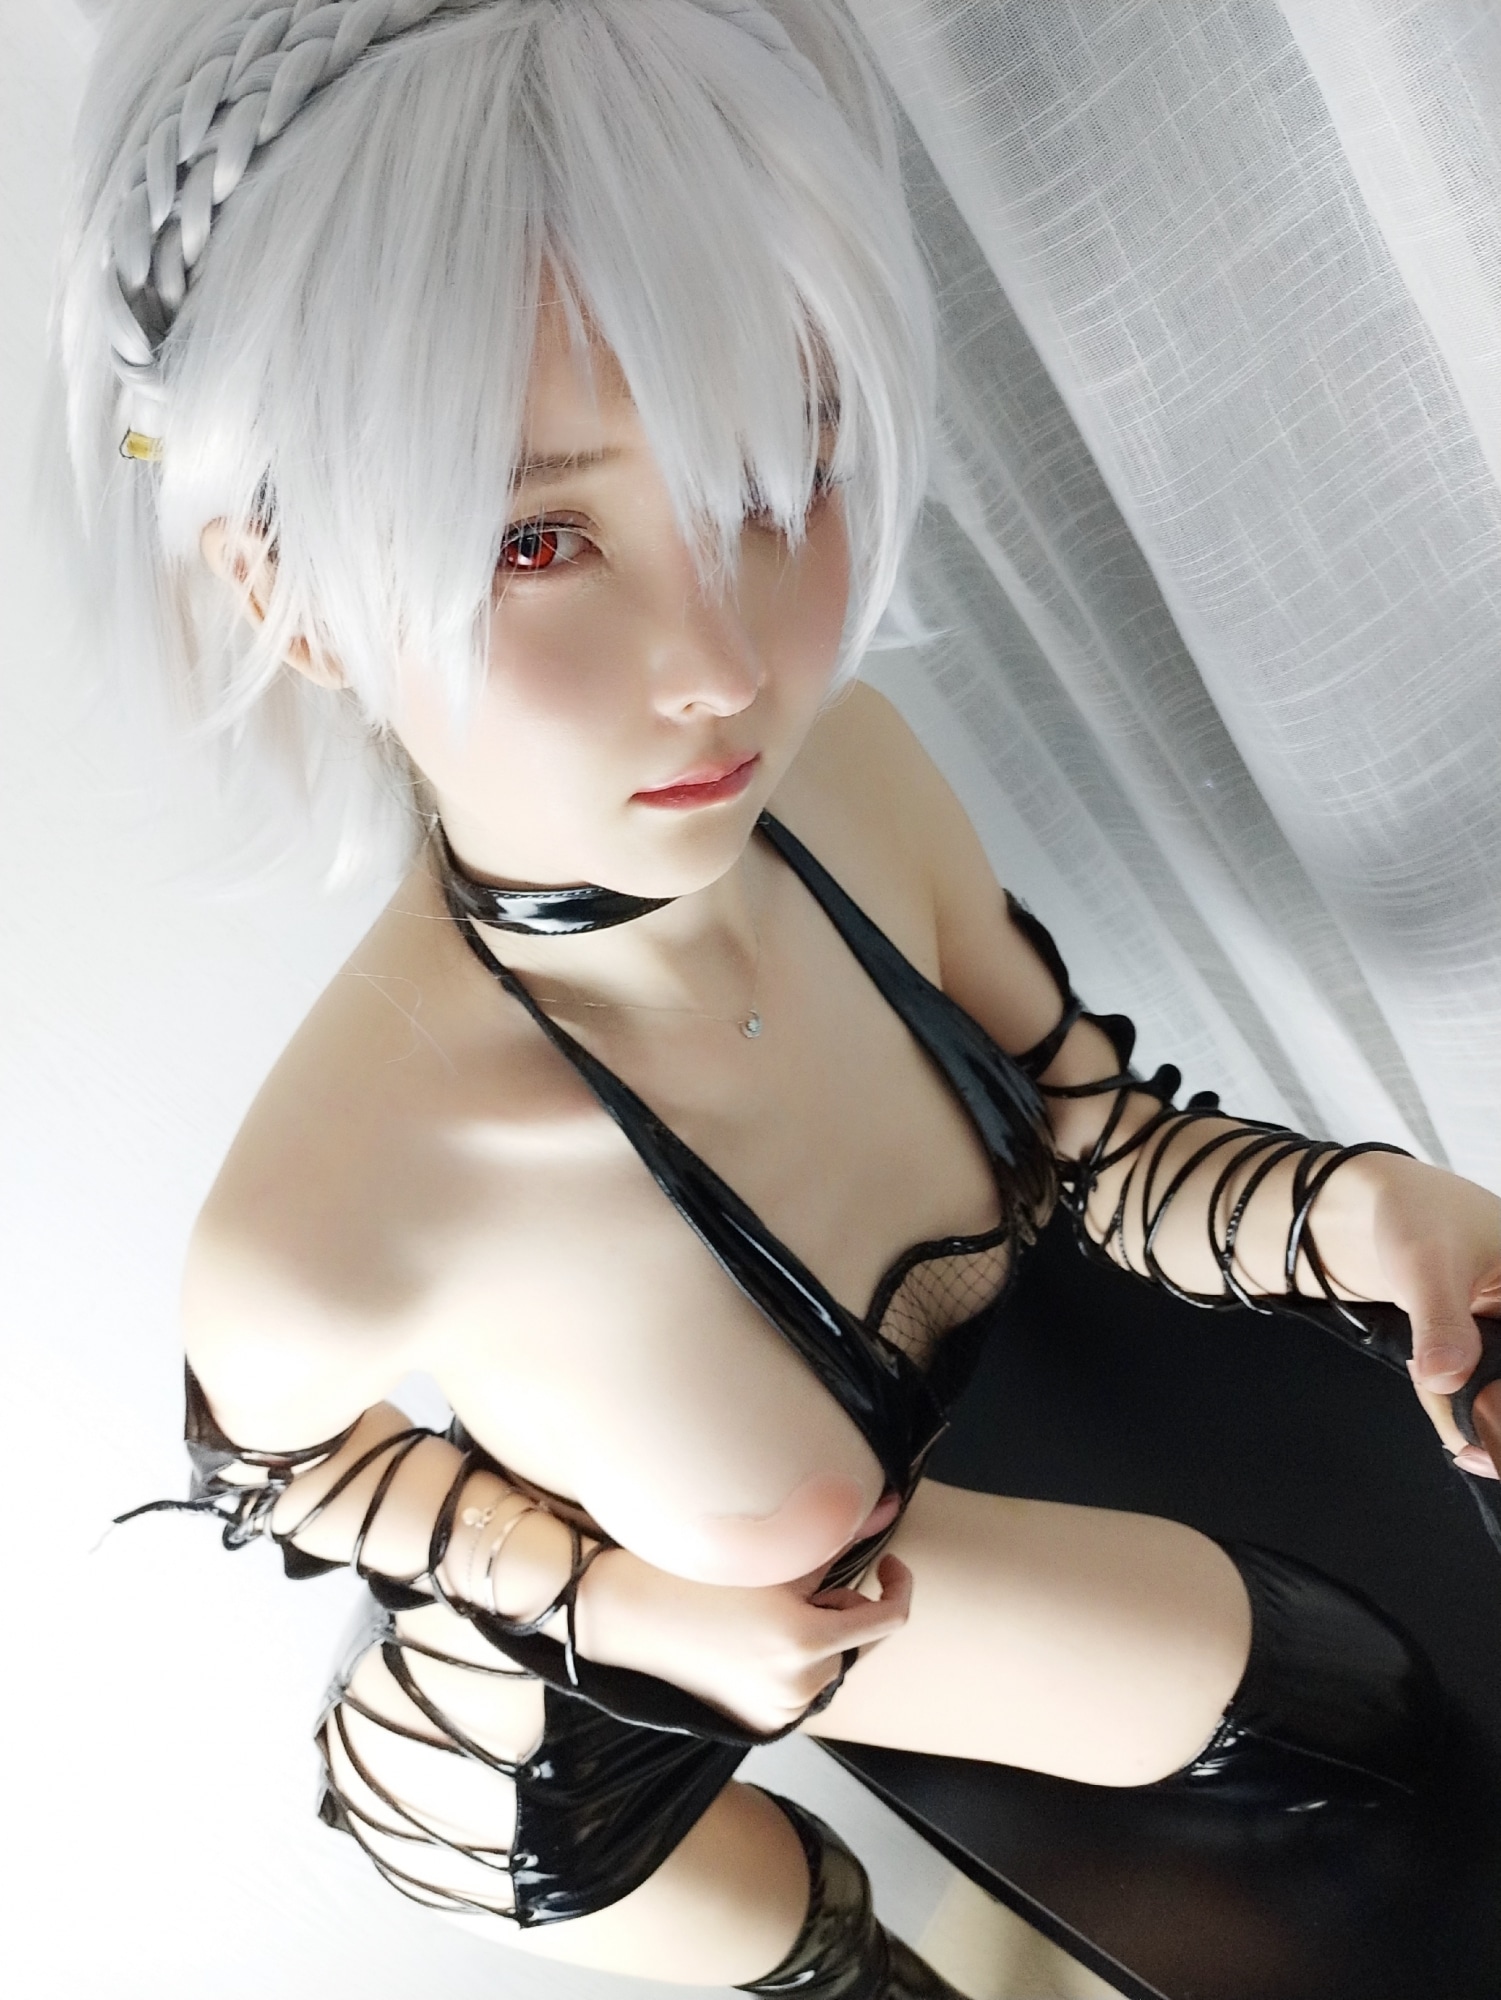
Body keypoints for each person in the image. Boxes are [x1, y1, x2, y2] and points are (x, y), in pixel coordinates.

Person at [56, 2, 1501, 1994]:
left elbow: (1093, 1132)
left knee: (1355, 1714)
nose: (724, 663)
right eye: (539, 538)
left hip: (923, 1567)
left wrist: (1364, 1218)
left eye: (775, 477)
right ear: (284, 593)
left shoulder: (858, 785)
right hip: (528, 1767)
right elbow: (279, 1461)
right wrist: (635, 1610)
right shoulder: (344, 1197)